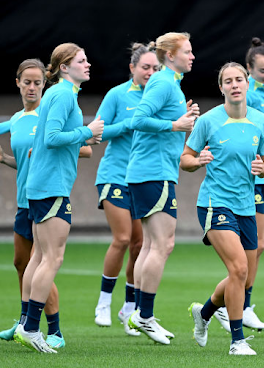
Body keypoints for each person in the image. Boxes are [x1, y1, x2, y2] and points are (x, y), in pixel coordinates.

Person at [13, 43, 104, 353]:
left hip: (41, 186)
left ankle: (27, 324)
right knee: (52, 258)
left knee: (38, 257)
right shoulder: (63, 94)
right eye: (81, 60)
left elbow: (49, 138)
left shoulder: (57, 94)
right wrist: (86, 131)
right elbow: (52, 139)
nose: (87, 63)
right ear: (64, 67)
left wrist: (87, 133)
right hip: (51, 187)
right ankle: (32, 328)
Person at [183, 62, 264, 355]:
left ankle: (205, 312)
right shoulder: (208, 121)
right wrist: (198, 162)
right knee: (238, 268)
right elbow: (185, 158)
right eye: (228, 81)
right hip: (214, 202)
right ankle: (237, 342)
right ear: (221, 87)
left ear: (247, 84)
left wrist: (262, 169)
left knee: (242, 276)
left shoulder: (260, 121)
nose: (235, 85)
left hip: (246, 205)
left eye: (239, 80)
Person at [212, 37, 264, 333]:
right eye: (262, 71)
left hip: (263, 175)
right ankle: (240, 305)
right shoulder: (246, 92)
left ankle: (239, 303)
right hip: (246, 180)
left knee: (260, 245)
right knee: (250, 249)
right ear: (248, 70)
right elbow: (247, 122)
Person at [125, 32, 198, 345]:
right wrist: (175, 125)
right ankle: (144, 316)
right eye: (187, 51)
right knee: (163, 245)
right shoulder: (164, 81)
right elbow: (138, 119)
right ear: (171, 55)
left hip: (150, 173)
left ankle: (140, 313)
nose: (192, 56)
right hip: (154, 173)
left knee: (151, 245)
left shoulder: (171, 84)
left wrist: (183, 120)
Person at [93, 42, 159, 336]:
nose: (150, 72)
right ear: (132, 68)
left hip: (141, 179)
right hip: (114, 176)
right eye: (145, 67)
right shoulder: (117, 95)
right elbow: (98, 131)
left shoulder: (159, 95)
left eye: (155, 68)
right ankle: (103, 302)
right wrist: (127, 125)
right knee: (122, 238)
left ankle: (129, 309)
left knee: (139, 244)